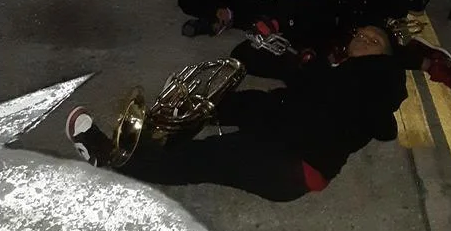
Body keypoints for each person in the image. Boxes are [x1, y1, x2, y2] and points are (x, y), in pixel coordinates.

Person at [66, 25, 407, 201]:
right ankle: (153, 139)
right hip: (283, 131)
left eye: (374, 40)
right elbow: (264, 67)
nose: (363, 38)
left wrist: (310, 68)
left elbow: (382, 124)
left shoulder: (375, 79)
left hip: (296, 165)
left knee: (202, 158)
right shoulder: (337, 71)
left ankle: (107, 156)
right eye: (361, 33)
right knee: (225, 104)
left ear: (386, 57)